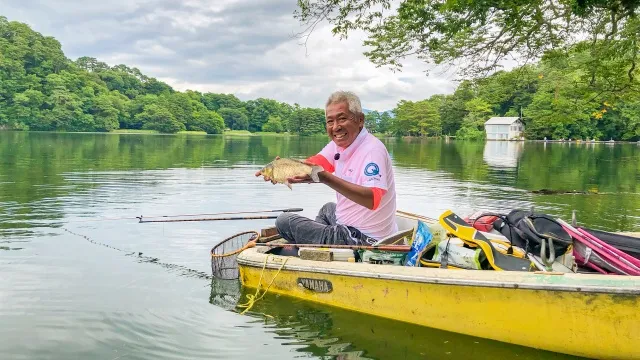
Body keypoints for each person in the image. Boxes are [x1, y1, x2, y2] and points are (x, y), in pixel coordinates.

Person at [255, 91, 397, 245]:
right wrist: (284, 168)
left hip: (366, 239)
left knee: (284, 221)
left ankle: (317, 245)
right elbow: (315, 164)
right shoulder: (340, 144)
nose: (336, 127)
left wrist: (325, 178)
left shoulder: (372, 151)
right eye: (330, 121)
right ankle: (318, 245)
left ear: (360, 120)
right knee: (327, 209)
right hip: (349, 226)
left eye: (342, 119)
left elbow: (372, 199)